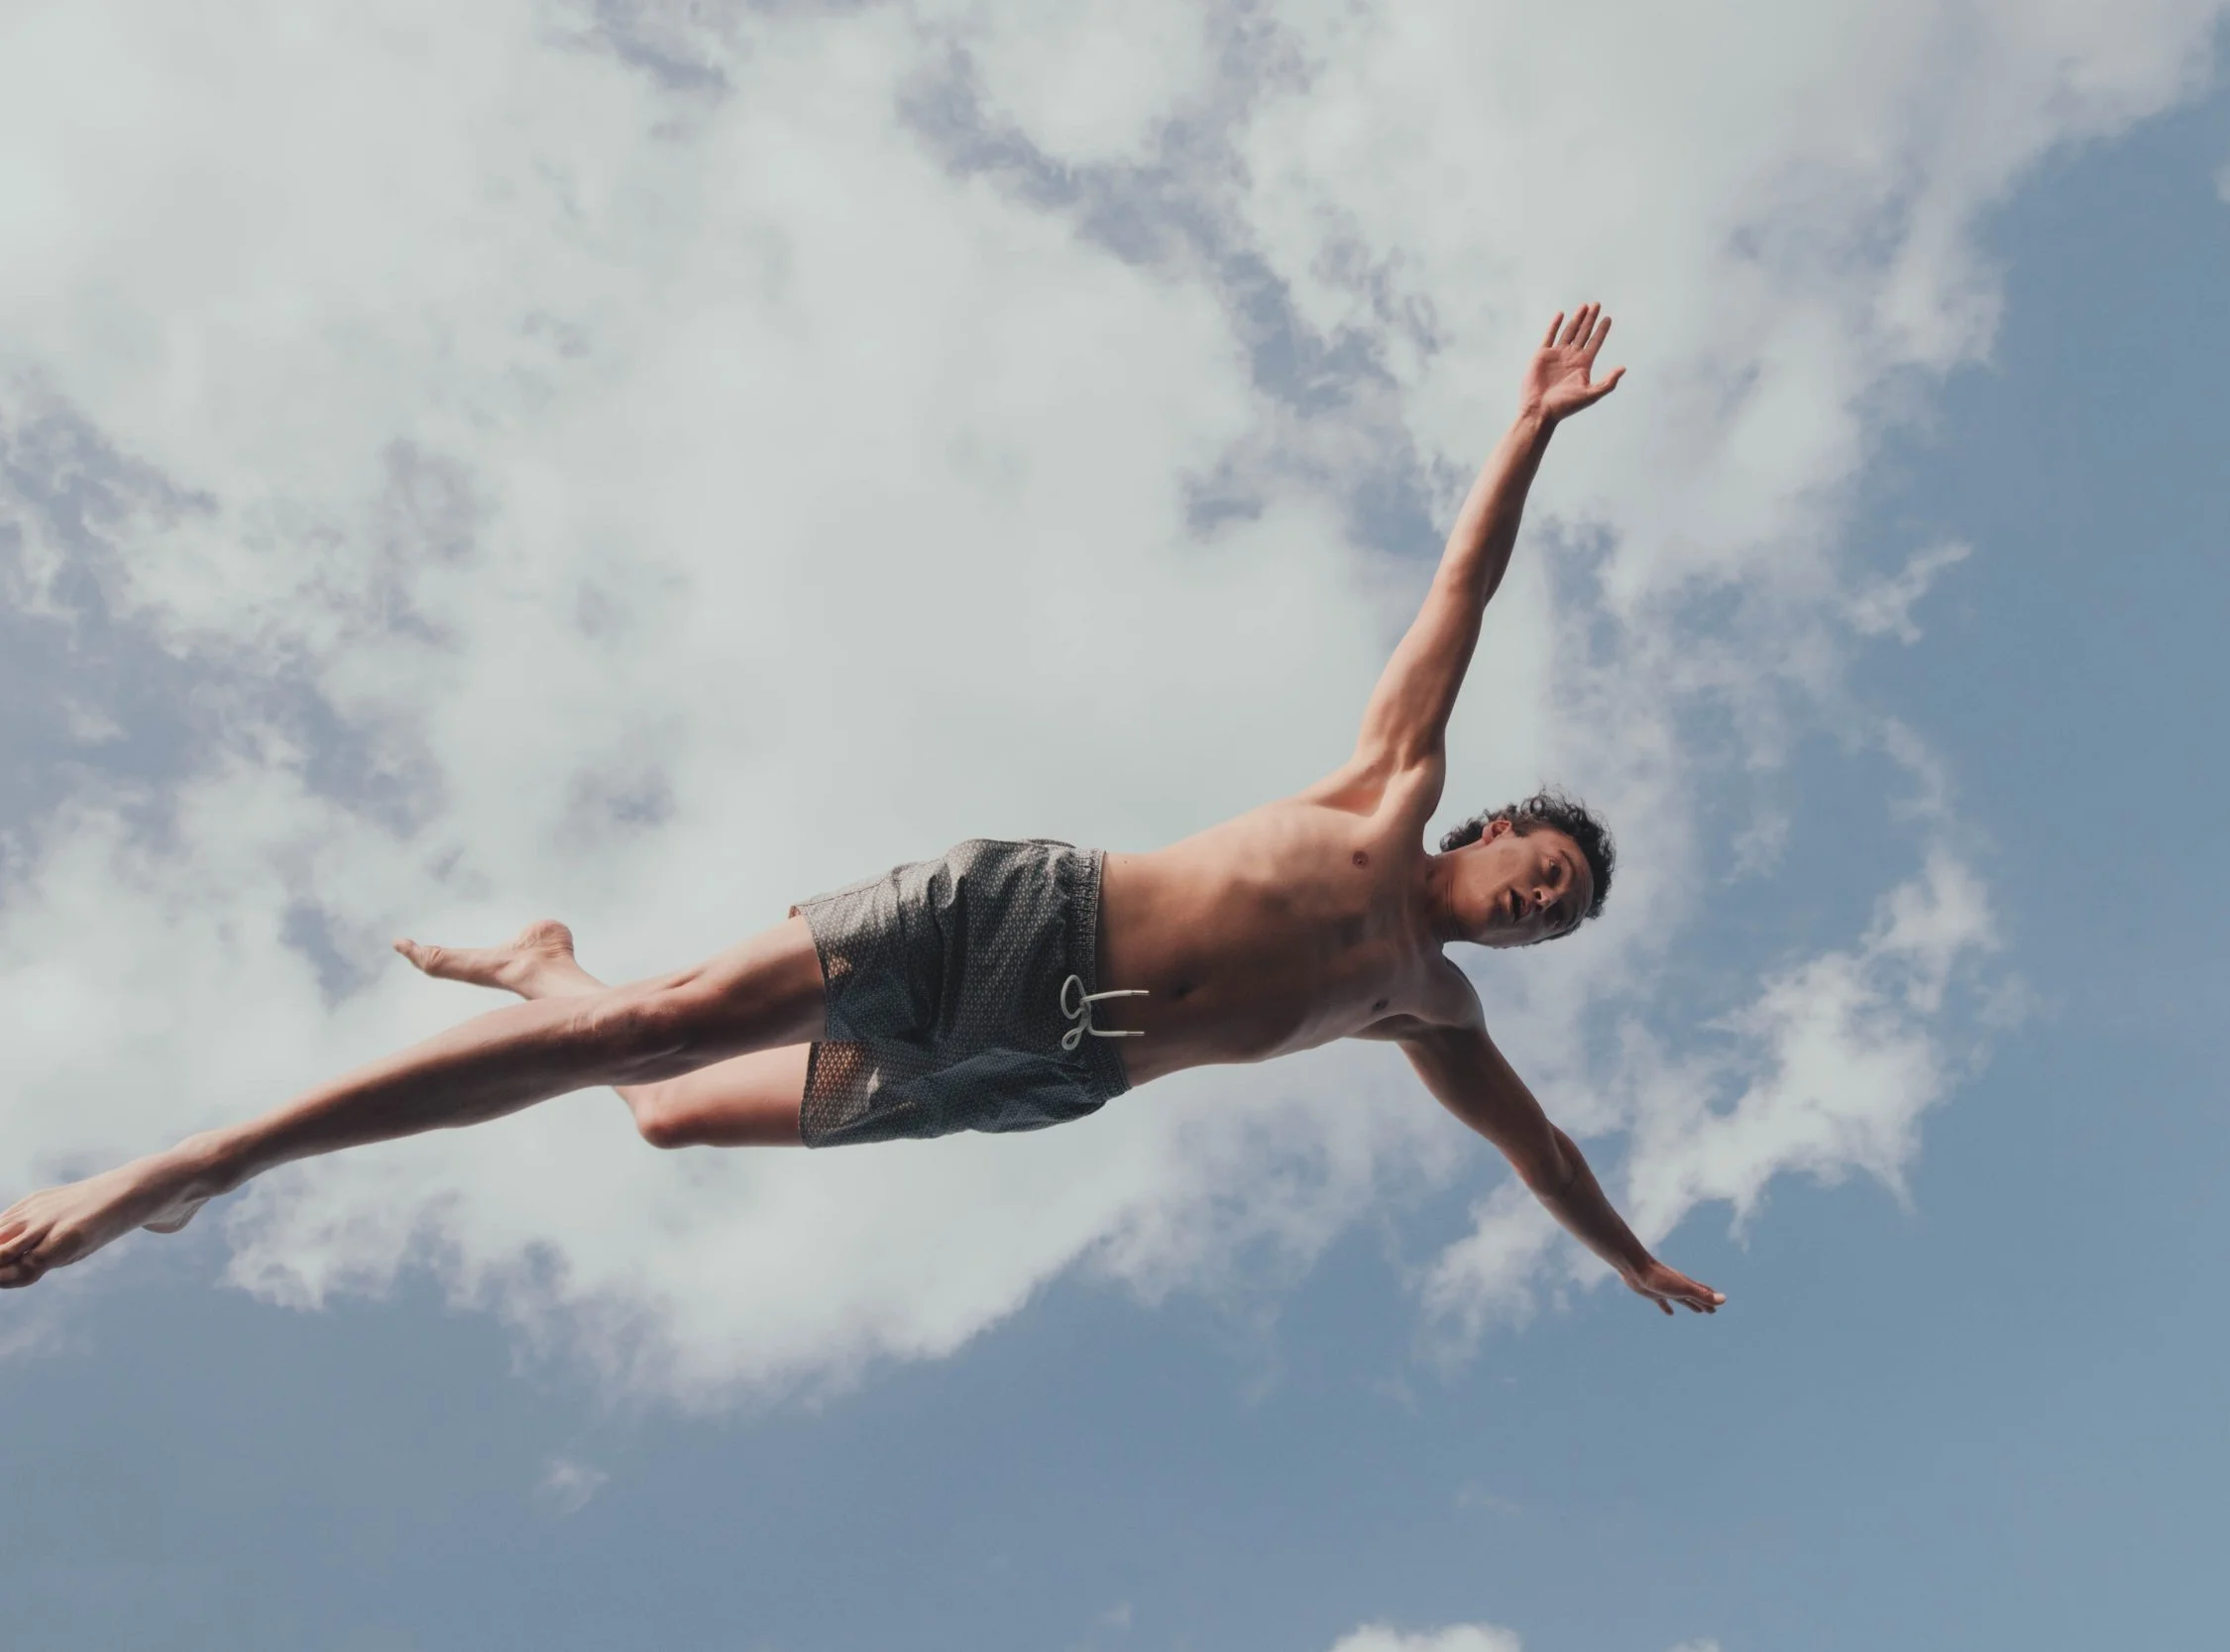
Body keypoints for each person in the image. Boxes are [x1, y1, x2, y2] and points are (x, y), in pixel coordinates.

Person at [0, 303, 1722, 1316]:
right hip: (1027, 920)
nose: (1535, 907)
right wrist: (1530, 425)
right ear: (1489, 827)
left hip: (1045, 1067)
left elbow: (1539, 1150)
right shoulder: (1387, 782)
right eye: (1542, 871)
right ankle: (201, 1158)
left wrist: (1627, 1256)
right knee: (662, 1029)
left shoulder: (1429, 1009)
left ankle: (543, 967)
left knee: (663, 1112)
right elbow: (1461, 586)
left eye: (1557, 915)